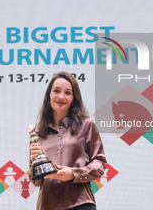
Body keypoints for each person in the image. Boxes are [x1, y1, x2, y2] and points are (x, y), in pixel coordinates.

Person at [29, 71, 107, 210]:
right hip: (48, 205)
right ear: (49, 95)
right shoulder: (37, 132)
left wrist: (73, 174)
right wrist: (37, 166)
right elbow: (35, 181)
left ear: (74, 98)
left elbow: (99, 163)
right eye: (56, 91)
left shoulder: (87, 125)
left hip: (80, 203)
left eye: (67, 93)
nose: (61, 97)